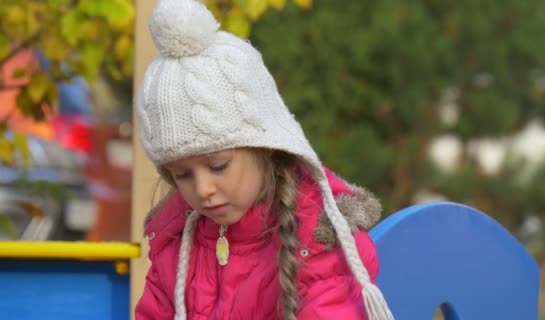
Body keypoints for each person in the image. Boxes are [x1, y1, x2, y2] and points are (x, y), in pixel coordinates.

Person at [134, 0, 394, 319]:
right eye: (182, 175)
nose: (203, 188)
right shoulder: (174, 240)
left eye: (218, 166)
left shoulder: (317, 243)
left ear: (265, 146)